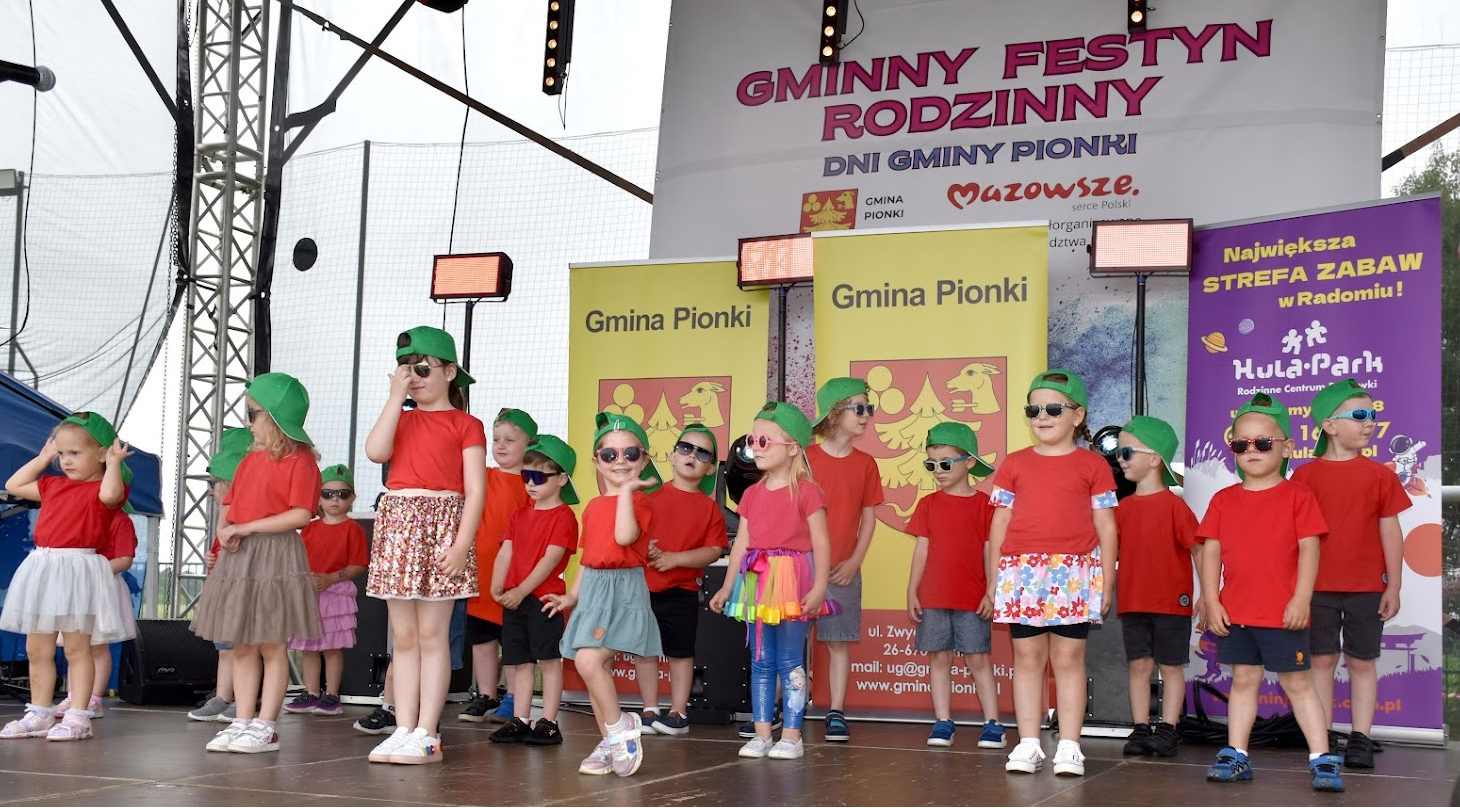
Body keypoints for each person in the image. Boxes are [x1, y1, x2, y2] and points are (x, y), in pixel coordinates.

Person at [1199, 393, 1344, 792]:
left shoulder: (1299, 497)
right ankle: (1236, 753)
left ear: (1286, 447)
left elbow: (1310, 549)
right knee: (1243, 680)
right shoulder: (1223, 500)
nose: (1252, 450)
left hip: (1283, 614)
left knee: (1298, 684)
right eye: (1241, 443)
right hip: (1237, 613)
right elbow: (1211, 552)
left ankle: (1321, 757)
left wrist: (1301, 598)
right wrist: (1211, 599)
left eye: (1263, 443)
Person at [364, 326, 486, 764]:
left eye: (422, 369)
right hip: (399, 525)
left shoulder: (466, 424)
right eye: (405, 369)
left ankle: (427, 732)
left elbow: (476, 490)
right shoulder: (401, 418)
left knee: (433, 635)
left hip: (442, 527)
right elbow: (376, 452)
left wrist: (462, 544)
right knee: (404, 637)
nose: (413, 377)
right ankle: (403, 727)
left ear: (449, 372)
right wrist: (395, 398)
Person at [987, 369, 1117, 777]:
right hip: (1021, 572)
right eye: (1034, 410)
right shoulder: (1014, 463)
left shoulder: (1093, 465)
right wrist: (994, 580)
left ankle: (1070, 745)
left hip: (1073, 572)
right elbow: (999, 523)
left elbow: (1107, 525)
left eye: (1053, 409)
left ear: (1077, 416)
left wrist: (1106, 580)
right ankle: (1028, 742)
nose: (1042, 416)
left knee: (1069, 657)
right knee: (1027, 657)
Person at [190, 374, 324, 754]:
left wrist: (245, 528)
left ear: (276, 417)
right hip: (241, 556)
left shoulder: (302, 462)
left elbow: (300, 514)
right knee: (242, 643)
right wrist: (224, 530)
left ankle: (266, 726)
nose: (248, 422)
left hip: (276, 555)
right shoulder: (249, 460)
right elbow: (229, 503)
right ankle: (242, 720)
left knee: (272, 645)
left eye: (253, 414)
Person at [1291, 379, 1410, 769]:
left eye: (1372, 415)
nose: (1370, 422)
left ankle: (1361, 738)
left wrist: (1394, 585)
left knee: (1362, 662)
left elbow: (1390, 531)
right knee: (1321, 662)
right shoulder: (1304, 477)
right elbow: (1295, 537)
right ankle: (1321, 739)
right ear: (1329, 425)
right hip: (1317, 588)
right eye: (1360, 415)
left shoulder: (1381, 475)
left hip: (1366, 588)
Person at [711, 401, 832, 762]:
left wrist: (819, 587)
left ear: (793, 448)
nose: (755, 448)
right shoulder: (751, 494)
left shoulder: (808, 492)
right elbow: (741, 545)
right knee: (761, 658)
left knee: (790, 659)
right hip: (757, 580)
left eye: (764, 441)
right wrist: (727, 586)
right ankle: (763, 733)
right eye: (752, 440)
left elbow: (822, 543)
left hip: (793, 580)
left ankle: (792, 735)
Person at [544, 412, 662, 777]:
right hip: (594, 591)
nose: (620, 461)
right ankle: (611, 741)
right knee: (595, 668)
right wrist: (572, 596)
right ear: (597, 461)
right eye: (609, 455)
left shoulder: (639, 502)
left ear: (644, 459)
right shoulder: (593, 507)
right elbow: (589, 558)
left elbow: (625, 536)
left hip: (623, 591)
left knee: (588, 661)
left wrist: (625, 492)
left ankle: (620, 728)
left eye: (630, 454)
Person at [0, 412, 131, 741]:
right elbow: (13, 485)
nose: (66, 460)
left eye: (75, 453)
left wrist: (113, 463)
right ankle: (40, 713)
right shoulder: (52, 485)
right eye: (62, 453)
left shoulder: (104, 488)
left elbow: (111, 496)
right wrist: (44, 457)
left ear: (100, 453)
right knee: (37, 647)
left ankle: (78, 716)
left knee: (77, 648)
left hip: (77, 569)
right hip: (44, 567)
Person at [904, 421, 1004, 749]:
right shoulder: (928, 505)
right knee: (939, 659)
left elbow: (991, 550)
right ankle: (943, 721)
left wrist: (991, 591)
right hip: (934, 597)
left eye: (945, 464)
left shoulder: (985, 505)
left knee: (978, 659)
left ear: (969, 462)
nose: (938, 471)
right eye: (931, 465)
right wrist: (912, 590)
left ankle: (993, 723)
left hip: (973, 598)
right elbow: (922, 550)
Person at [1113, 416, 1201, 757]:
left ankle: (1168, 728)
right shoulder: (1123, 508)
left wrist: (1207, 595)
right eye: (1119, 453)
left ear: (1154, 459)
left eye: (1126, 452)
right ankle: (1140, 727)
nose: (1120, 459)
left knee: (1171, 665)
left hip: (1170, 603)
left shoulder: (1175, 506)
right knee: (1139, 664)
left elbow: (1199, 549)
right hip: (1132, 601)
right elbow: (1110, 550)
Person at [487, 435, 578, 746]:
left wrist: (521, 590)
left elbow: (550, 560)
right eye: (526, 476)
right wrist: (497, 586)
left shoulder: (564, 517)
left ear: (561, 479)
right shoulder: (519, 515)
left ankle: (549, 721)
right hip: (515, 599)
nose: (530, 483)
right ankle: (521, 719)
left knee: (549, 661)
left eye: (539, 477)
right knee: (520, 661)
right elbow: (506, 552)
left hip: (544, 600)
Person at [806, 377, 883, 743]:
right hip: (801, 567)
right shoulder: (805, 459)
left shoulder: (866, 464)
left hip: (842, 570)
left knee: (838, 642)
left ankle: (836, 710)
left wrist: (854, 561)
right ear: (834, 414)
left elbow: (868, 517)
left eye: (870, 408)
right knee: (790, 640)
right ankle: (780, 708)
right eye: (860, 408)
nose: (867, 415)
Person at [638, 425, 727, 736]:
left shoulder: (709, 508)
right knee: (645, 651)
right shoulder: (649, 499)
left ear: (711, 468)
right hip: (645, 588)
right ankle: (650, 709)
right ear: (672, 455)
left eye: (703, 453)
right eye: (686, 448)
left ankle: (678, 712)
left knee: (680, 653)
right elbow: (633, 537)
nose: (692, 456)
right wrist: (647, 549)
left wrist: (674, 559)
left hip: (682, 591)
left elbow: (713, 550)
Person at [461, 408, 538, 723]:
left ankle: (514, 697)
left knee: (513, 642)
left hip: (511, 578)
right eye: (496, 439)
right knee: (482, 638)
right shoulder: (484, 477)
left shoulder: (531, 484)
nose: (501, 445)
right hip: (480, 574)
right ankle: (486, 694)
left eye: (509, 440)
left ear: (529, 445)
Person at [283, 464, 369, 717]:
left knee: (332, 648)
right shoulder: (308, 528)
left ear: (352, 498)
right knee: (307, 647)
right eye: (328, 494)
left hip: (336, 595)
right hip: (308, 594)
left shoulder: (353, 529)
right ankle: (311, 693)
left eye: (342, 494)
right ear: (318, 498)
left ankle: (331, 695)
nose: (335, 499)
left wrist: (331, 578)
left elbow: (359, 564)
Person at [188, 427, 253, 723]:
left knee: (243, 648)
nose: (211, 491)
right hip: (224, 586)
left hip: (243, 587)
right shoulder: (223, 516)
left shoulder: (245, 513)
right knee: (225, 647)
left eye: (214, 483)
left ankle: (241, 699)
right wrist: (212, 561)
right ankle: (223, 696)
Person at [57, 497, 138, 719]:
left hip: (103, 587)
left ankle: (93, 699)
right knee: (75, 646)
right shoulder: (80, 517)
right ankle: (74, 696)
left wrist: (92, 570)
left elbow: (124, 559)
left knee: (98, 647)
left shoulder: (121, 521)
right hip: (77, 586)